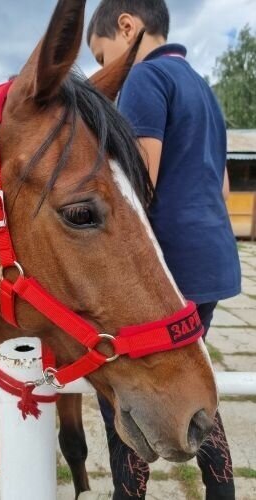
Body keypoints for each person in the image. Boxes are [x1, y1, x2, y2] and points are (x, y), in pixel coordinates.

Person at [87, 1, 241, 499]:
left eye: (101, 52)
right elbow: (221, 185)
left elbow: (137, 187)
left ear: (128, 27)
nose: (100, 69)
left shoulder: (144, 81)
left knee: (125, 388)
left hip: (171, 263)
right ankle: (222, 491)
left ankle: (127, 494)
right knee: (189, 378)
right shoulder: (202, 87)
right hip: (213, 257)